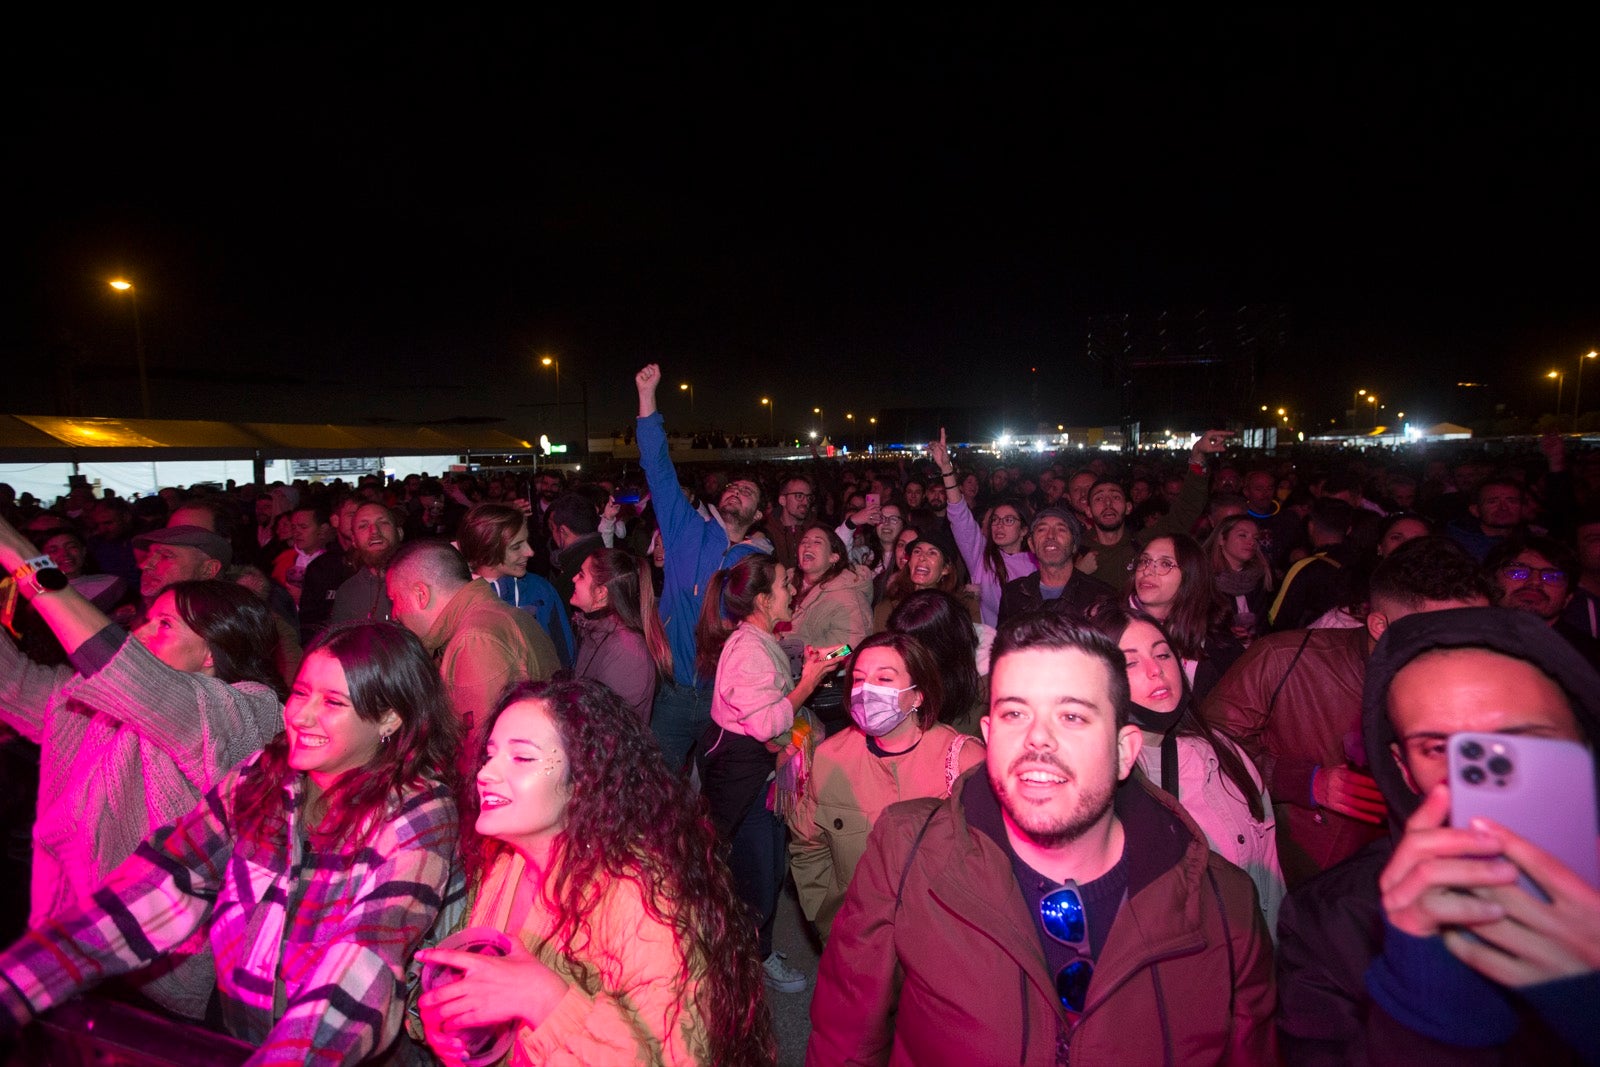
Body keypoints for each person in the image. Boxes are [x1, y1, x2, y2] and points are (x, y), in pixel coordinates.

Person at [807, 612, 1275, 1065]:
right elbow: (845, 1038)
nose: (1037, 740)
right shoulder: (907, 851)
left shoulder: (1223, 907)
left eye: (1072, 716)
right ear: (989, 735)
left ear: (1123, 749)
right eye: (1015, 713)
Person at [0, 623, 462, 1064]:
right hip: (236, 1034)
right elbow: (165, 881)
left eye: (333, 702)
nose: (301, 715)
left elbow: (367, 956)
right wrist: (24, 980)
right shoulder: (265, 776)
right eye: (300, 692)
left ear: (388, 718)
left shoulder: (419, 811)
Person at [1277, 607, 1600, 1065]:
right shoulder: (1332, 921)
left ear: (1581, 742)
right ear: (1403, 769)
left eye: (1518, 738)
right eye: (1437, 748)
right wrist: (1421, 1015)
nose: (1481, 780)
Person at [0, 516, 284, 1020]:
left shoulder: (242, 711)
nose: (142, 631)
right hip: (71, 955)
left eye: (166, 624)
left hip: (164, 977)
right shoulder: (98, 703)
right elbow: (15, 684)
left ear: (212, 657)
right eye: (147, 618)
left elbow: (124, 669)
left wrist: (24, 556)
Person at [414, 679, 776, 1067]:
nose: (486, 773)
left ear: (580, 782)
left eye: (521, 758)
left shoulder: (645, 900)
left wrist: (546, 1001)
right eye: (490, 754)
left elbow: (677, 1057)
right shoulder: (507, 861)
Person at [1203, 536, 1492, 888]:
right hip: (1298, 885)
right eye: (1437, 634)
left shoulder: (1491, 686)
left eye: (1474, 632)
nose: (1459, 649)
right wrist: (1304, 781)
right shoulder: (1283, 659)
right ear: (1379, 627)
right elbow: (1206, 750)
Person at [694, 553, 837, 994]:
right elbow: (767, 723)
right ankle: (744, 966)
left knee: (766, 868)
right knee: (757, 873)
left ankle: (746, 954)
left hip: (755, 775)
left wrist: (812, 664)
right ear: (761, 599)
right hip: (743, 779)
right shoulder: (746, 651)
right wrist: (808, 682)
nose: (792, 590)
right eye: (784, 584)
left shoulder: (756, 639)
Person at [1092, 606, 1284, 933]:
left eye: (1163, 655)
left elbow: (1270, 880)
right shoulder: (1093, 786)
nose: (1156, 671)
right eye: (1131, 662)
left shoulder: (1224, 753)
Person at [787, 632, 983, 941]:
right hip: (860, 939)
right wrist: (829, 919)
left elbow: (989, 867)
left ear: (918, 694)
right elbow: (808, 845)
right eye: (859, 679)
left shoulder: (962, 760)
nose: (867, 691)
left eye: (885, 679)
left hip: (941, 942)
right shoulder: (830, 759)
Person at [634, 364, 768, 771]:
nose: (736, 491)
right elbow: (657, 466)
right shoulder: (684, 528)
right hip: (672, 693)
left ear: (758, 513)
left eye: (747, 492)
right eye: (733, 486)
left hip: (723, 698)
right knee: (658, 788)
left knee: (718, 798)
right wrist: (647, 396)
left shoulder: (758, 564)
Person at [386, 539, 559, 775]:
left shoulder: (474, 639)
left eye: (395, 599)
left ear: (421, 594)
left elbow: (478, 755)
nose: (395, 614)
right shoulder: (491, 617)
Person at [929, 429, 1036, 626]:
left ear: (1024, 530)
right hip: (991, 647)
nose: (999, 525)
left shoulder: (1038, 562)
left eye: (1008, 520)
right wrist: (946, 468)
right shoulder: (981, 557)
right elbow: (960, 517)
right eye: (995, 520)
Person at [458, 502, 576, 669]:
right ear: (488, 549)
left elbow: (566, 658)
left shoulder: (540, 589)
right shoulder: (459, 597)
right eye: (516, 547)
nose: (530, 552)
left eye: (526, 541)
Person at [1128, 533, 1243, 702]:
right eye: (1144, 561)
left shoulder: (1216, 645)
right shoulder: (1110, 625)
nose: (1147, 571)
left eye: (1165, 564)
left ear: (1190, 576)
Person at [569, 547, 673, 724]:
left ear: (601, 593)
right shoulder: (595, 629)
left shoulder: (627, 651)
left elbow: (611, 727)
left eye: (581, 575)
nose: (573, 579)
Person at [887, 589, 986, 737]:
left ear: (940, 646)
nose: (901, 651)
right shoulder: (906, 669)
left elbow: (951, 747)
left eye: (911, 644)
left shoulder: (980, 686)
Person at [995, 505, 1115, 625]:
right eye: (1042, 529)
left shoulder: (1100, 597)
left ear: (1074, 545)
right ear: (1031, 544)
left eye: (1061, 529)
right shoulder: (1014, 594)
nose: (1051, 536)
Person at [871, 525, 978, 631]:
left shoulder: (964, 607)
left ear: (945, 568)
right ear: (909, 563)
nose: (921, 557)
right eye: (917, 551)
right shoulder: (888, 608)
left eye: (932, 553)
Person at [329, 500, 403, 625]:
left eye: (383, 522)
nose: (374, 531)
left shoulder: (425, 579)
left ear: (399, 533)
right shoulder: (348, 593)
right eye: (363, 526)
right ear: (354, 540)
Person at [1206, 514, 1275, 643]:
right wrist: (1227, 632)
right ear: (1222, 539)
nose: (1251, 542)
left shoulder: (1259, 576)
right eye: (1242, 535)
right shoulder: (1204, 578)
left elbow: (1266, 623)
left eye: (1256, 538)